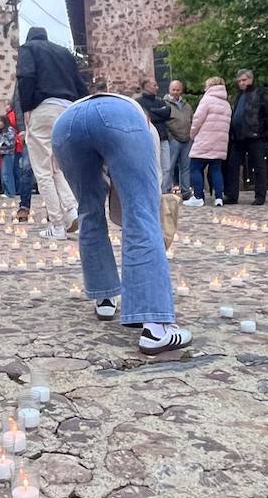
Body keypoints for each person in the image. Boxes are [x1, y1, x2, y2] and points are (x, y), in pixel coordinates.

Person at [52, 92, 193, 355]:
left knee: (89, 212)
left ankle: (104, 297)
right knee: (141, 213)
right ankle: (156, 327)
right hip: (117, 115)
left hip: (65, 124)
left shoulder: (94, 108)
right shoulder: (143, 125)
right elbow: (146, 200)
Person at [16, 26, 86, 238]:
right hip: (67, 110)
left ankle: (56, 225)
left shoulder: (28, 49)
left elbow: (26, 77)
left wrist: (26, 107)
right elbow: (79, 83)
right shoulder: (63, 53)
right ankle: (71, 209)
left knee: (43, 170)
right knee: (58, 167)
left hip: (44, 108)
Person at [225, 69, 268, 206]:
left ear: (251, 79)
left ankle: (260, 195)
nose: (242, 83)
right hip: (239, 136)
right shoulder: (239, 95)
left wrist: (262, 131)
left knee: (258, 166)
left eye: (244, 80)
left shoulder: (259, 93)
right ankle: (231, 195)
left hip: (255, 136)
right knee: (233, 166)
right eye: (240, 80)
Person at [185, 77, 231, 207]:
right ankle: (218, 197)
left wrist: (192, 134)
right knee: (216, 169)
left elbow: (197, 119)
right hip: (219, 142)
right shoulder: (226, 104)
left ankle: (199, 196)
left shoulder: (207, 100)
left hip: (204, 140)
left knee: (195, 168)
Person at [134, 77, 173, 193]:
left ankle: (164, 190)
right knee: (153, 165)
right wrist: (157, 112)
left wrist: (152, 111)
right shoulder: (139, 102)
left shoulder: (160, 101)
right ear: (146, 86)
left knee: (166, 166)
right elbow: (145, 116)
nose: (157, 87)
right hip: (149, 137)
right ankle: (153, 191)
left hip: (163, 136)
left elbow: (166, 113)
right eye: (154, 85)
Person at [4, 98, 34, 219]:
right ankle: (24, 206)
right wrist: (21, 129)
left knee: (53, 169)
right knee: (27, 168)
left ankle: (53, 207)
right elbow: (18, 101)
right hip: (30, 128)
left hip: (49, 121)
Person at [164, 80, 194, 196]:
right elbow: (165, 122)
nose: (176, 92)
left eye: (178, 90)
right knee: (169, 166)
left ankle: (186, 191)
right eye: (173, 89)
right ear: (169, 89)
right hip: (173, 139)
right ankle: (166, 190)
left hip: (187, 139)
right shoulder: (165, 104)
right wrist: (171, 137)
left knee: (186, 167)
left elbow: (191, 120)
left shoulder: (187, 106)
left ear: (181, 90)